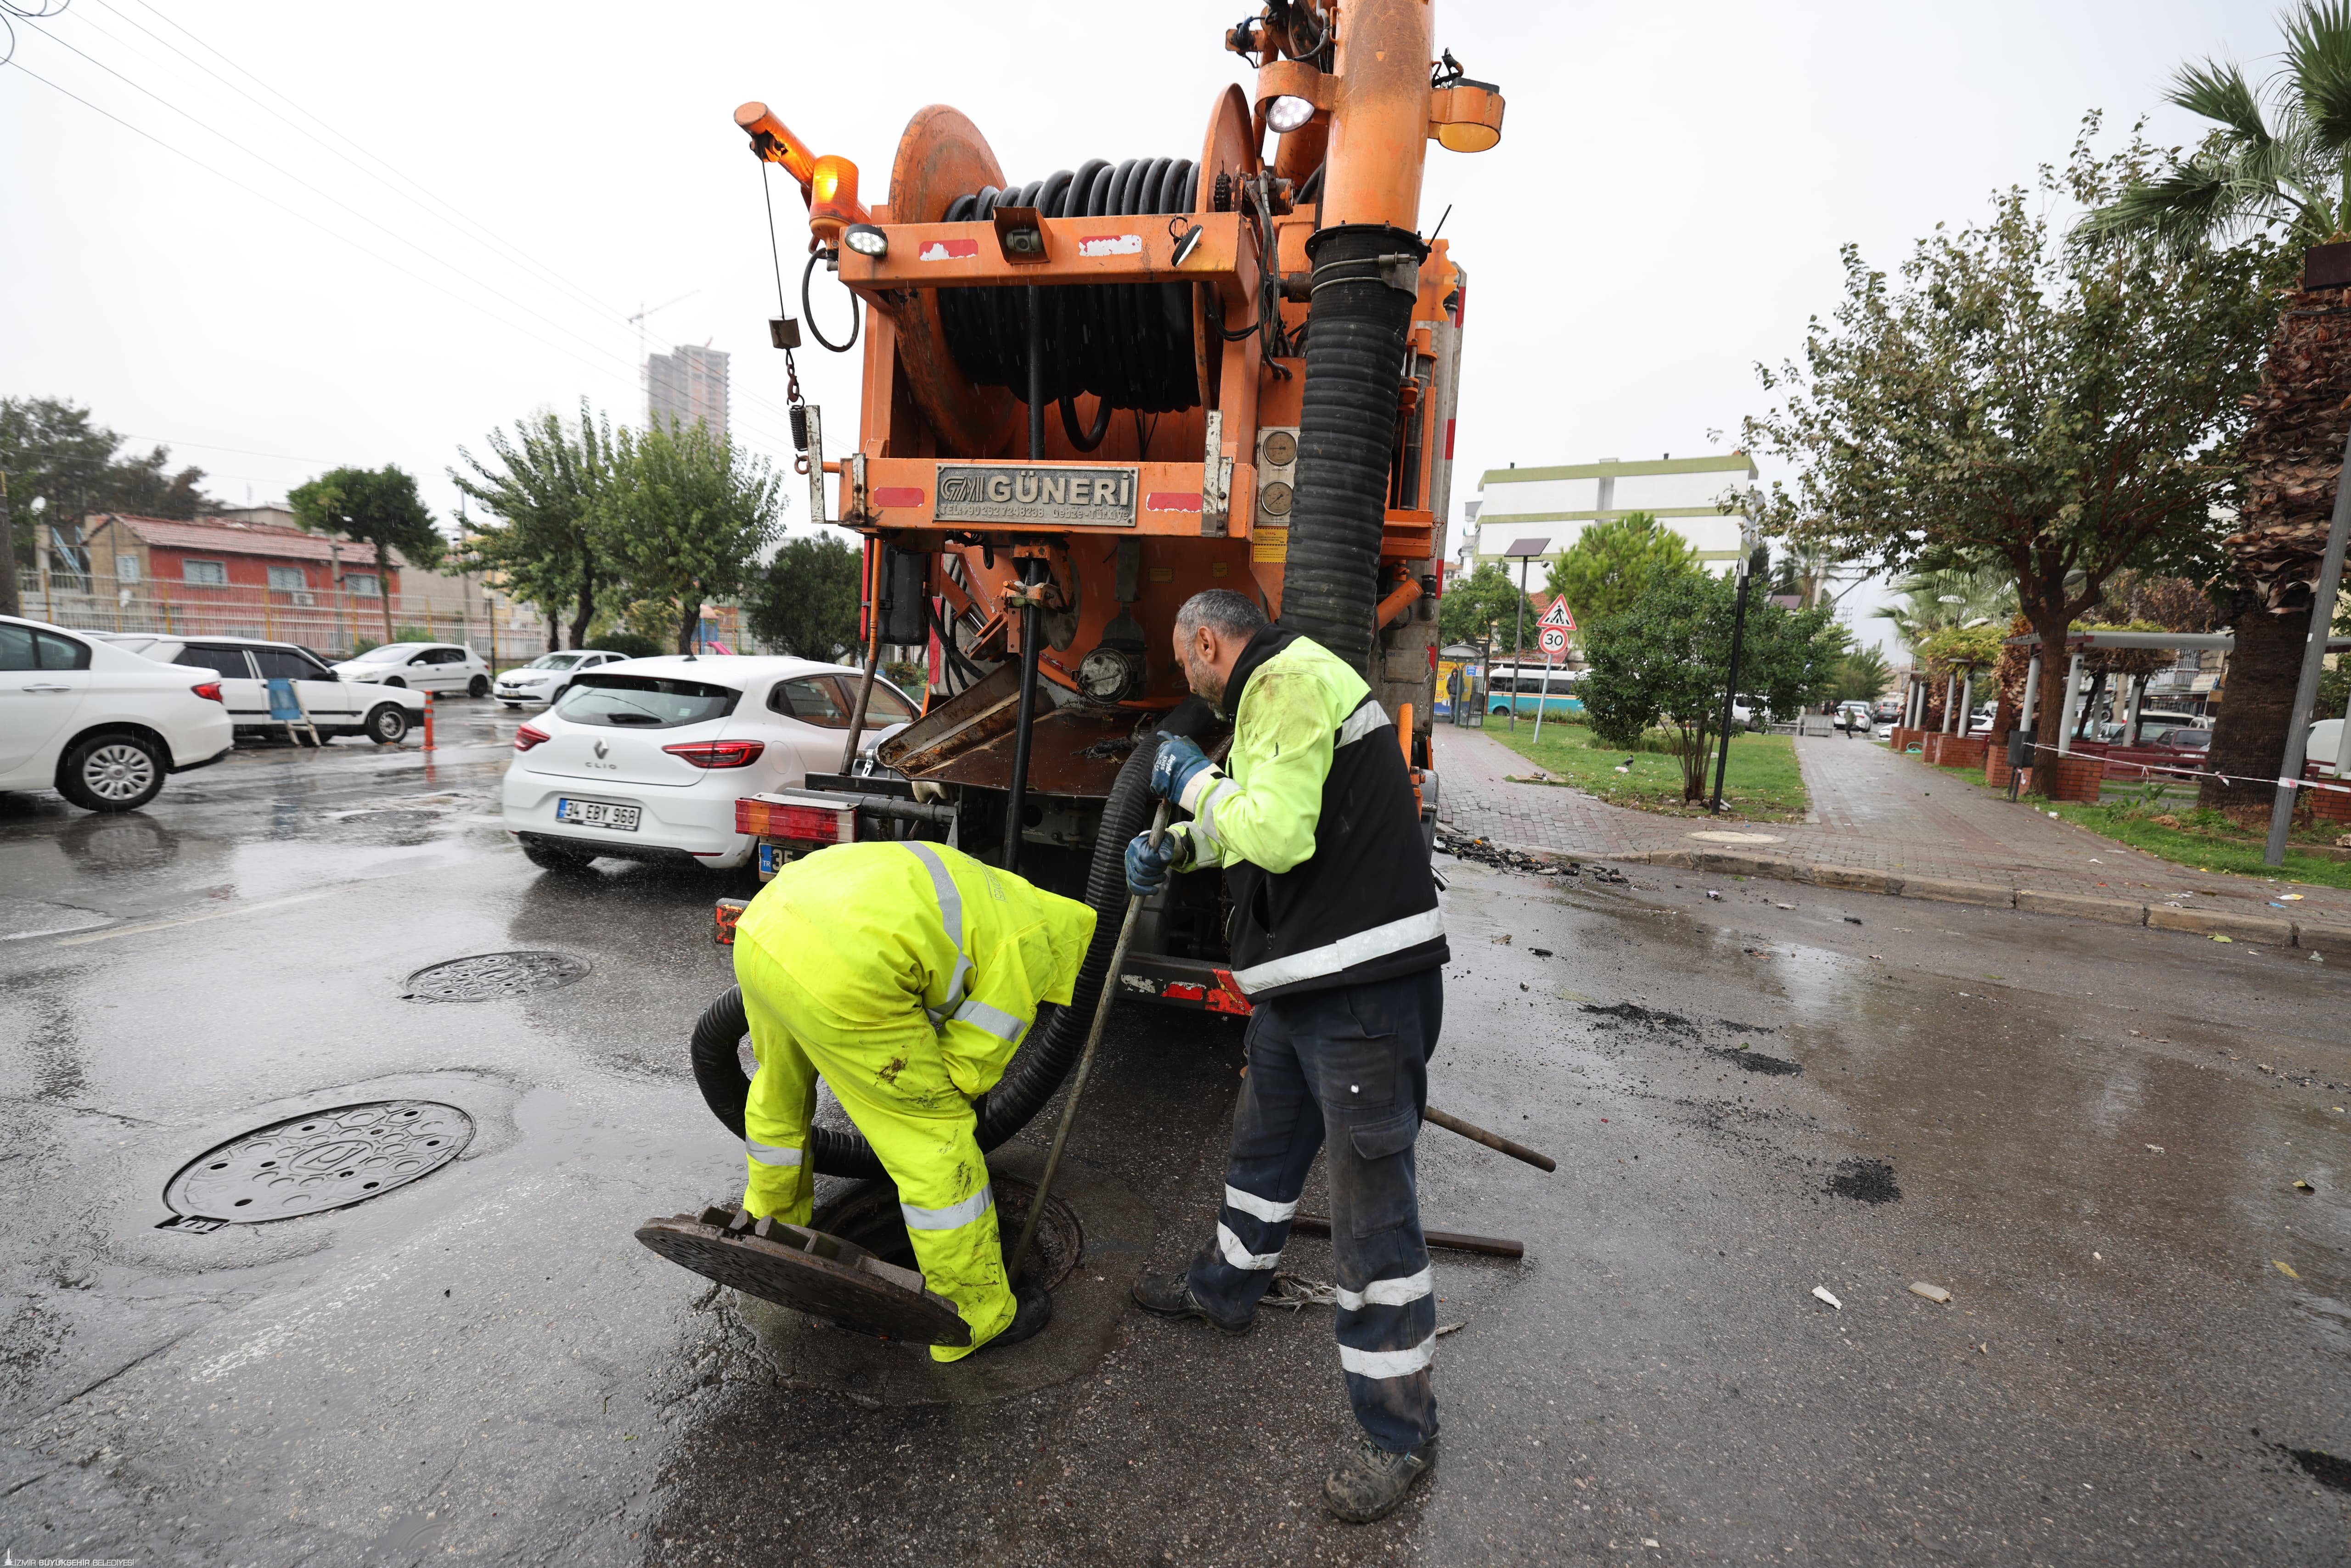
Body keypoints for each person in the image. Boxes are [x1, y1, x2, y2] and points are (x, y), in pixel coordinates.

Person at [1123, 589, 1449, 1523]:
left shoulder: (1290, 684)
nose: (1186, 678)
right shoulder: (1269, 695)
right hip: (1303, 992)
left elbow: (1277, 832)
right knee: (1262, 1157)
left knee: (1371, 1218)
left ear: (1208, 642)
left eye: (1185, 659)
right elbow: (1253, 823)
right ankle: (1227, 1286)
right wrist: (1182, 846)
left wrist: (1188, 781)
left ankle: (1401, 1432)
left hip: (1362, 997)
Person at [730, 839, 1097, 1360]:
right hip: (847, 971)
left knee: (780, 1091)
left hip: (765, 926)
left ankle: (773, 1226)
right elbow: (966, 1069)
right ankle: (974, 1315)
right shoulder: (1037, 946)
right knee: (935, 1140)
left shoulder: (993, 891)